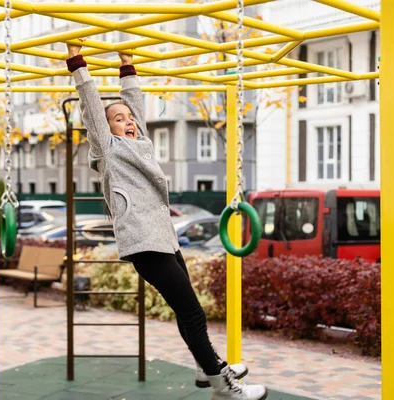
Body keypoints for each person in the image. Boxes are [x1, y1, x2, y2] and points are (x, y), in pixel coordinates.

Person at [65, 39, 268, 400]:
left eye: (128, 119)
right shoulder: (108, 150)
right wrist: (78, 62)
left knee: (186, 309)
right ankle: (222, 384)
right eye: (118, 119)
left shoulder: (140, 142)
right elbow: (93, 108)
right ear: (105, 129)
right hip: (144, 242)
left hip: (163, 238)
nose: (127, 122)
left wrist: (128, 66)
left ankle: (208, 369)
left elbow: (137, 111)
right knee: (192, 311)